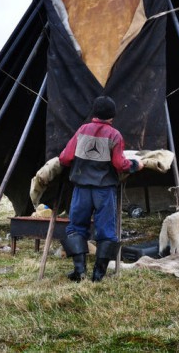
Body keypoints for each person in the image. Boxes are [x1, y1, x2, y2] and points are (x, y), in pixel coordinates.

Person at [58, 96, 144, 282]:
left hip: (81, 189)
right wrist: (136, 165)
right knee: (106, 231)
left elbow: (65, 158)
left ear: (94, 113)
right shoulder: (114, 135)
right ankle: (98, 275)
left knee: (76, 228)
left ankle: (79, 271)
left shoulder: (82, 131)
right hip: (103, 190)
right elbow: (120, 164)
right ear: (112, 116)